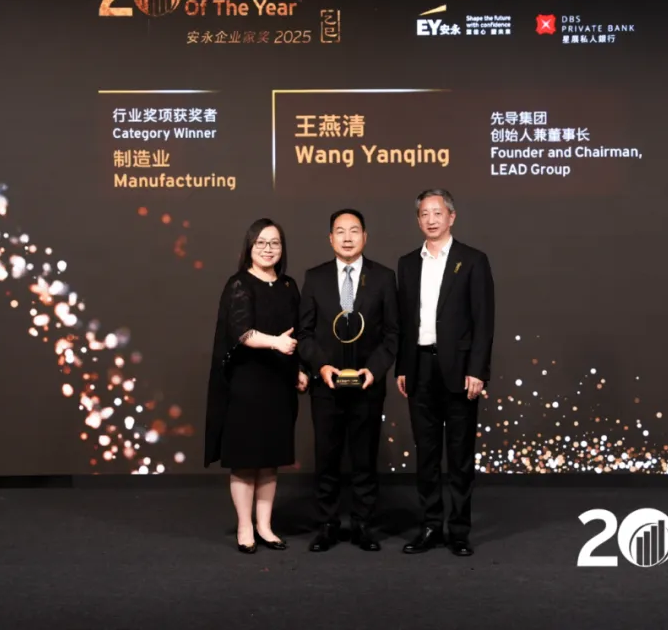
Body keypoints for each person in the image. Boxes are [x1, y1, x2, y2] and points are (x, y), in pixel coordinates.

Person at [395, 189, 495, 557]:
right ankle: (431, 526)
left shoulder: (473, 260)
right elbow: (404, 321)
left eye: (438, 212)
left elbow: (484, 321)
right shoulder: (407, 264)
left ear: (451, 217)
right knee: (426, 454)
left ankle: (459, 531)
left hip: (460, 370)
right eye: (425, 213)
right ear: (418, 220)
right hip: (419, 366)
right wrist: (403, 367)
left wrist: (478, 370)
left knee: (460, 455)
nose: (431, 219)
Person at [205, 218, 309, 554]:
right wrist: (276, 343)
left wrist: (299, 368)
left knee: (270, 459)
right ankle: (245, 526)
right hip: (247, 383)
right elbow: (242, 332)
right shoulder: (239, 283)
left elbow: (298, 333)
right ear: (250, 247)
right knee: (246, 459)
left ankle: (265, 526)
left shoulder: (289, 285)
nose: (268, 249)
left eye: (275, 243)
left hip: (279, 382)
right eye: (261, 242)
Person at [297, 209, 399, 552]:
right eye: (340, 231)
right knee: (326, 458)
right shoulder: (314, 278)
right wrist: (321, 366)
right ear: (330, 238)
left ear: (365, 237)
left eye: (354, 231)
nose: (347, 237)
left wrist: (374, 370)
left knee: (365, 458)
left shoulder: (384, 278)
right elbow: (305, 333)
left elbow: (392, 334)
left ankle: (362, 525)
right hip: (326, 385)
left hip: (367, 385)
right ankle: (327, 525)